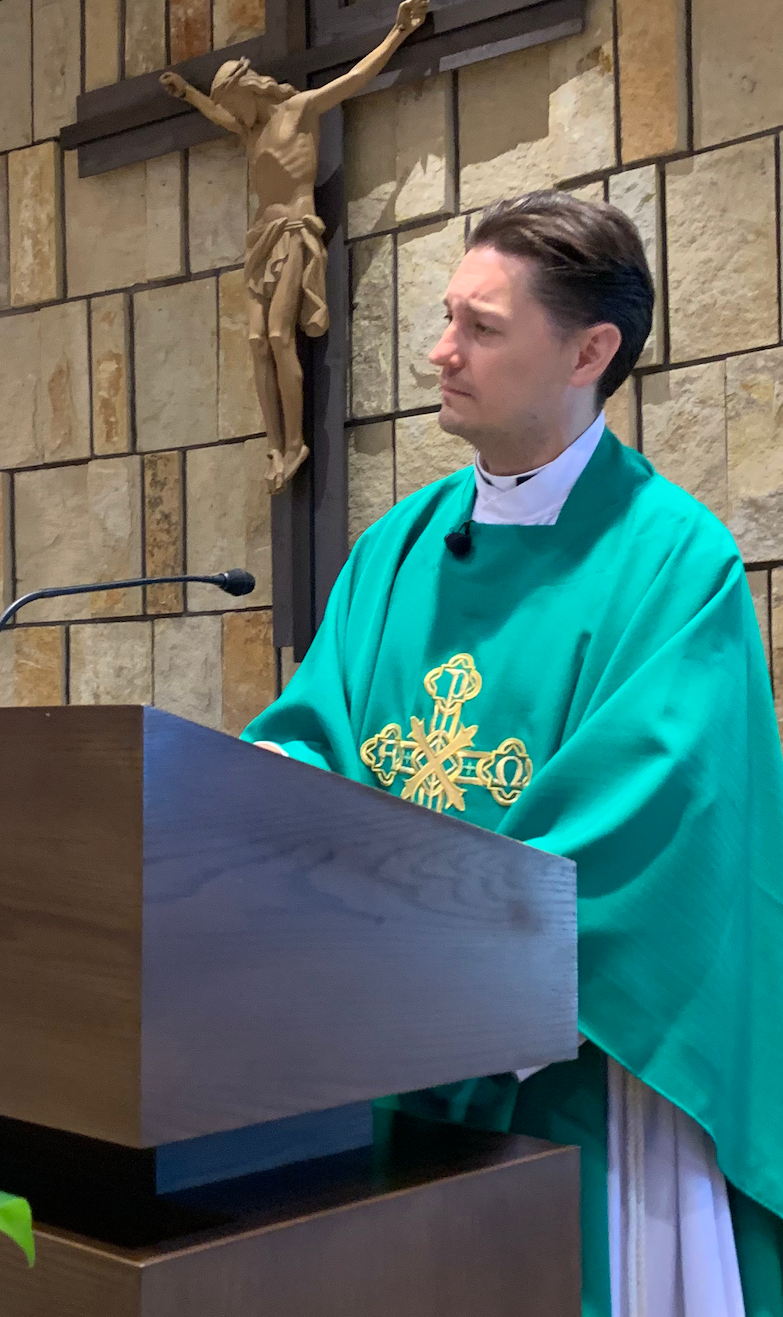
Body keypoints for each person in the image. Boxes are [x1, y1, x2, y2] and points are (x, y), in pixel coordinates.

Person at [243, 190, 783, 1317]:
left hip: (569, 1064)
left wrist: (436, 963)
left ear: (590, 350)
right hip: (373, 1047)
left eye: (480, 328)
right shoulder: (395, 549)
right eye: (447, 318)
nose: (439, 351)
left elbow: (651, 822)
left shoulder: (675, 563)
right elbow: (300, 749)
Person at [160, 0, 428, 493]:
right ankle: (272, 442)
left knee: (282, 337)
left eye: (233, 101)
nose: (233, 113)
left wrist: (397, 33)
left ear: (248, 90)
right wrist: (189, 94)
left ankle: (295, 442)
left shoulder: (299, 110)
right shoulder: (250, 129)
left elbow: (351, 81)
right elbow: (219, 117)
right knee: (256, 341)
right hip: (263, 240)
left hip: (294, 232)